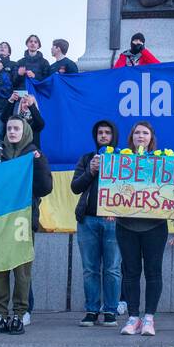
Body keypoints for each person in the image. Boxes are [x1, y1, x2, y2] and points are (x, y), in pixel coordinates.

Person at [0, 116, 53, 334]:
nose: (13, 132)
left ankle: (20, 314)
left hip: (23, 219)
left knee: (22, 271)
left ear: (25, 132)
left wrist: (38, 164)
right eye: (10, 128)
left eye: (17, 128)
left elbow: (45, 188)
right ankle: (1, 314)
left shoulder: (35, 154)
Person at [117, 122, 167, 335]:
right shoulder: (118, 161)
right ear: (131, 137)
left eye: (145, 133)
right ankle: (133, 317)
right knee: (130, 272)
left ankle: (149, 318)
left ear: (151, 138)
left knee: (153, 272)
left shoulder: (163, 162)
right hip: (126, 225)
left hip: (155, 226)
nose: (140, 136)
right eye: (136, 132)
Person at [71, 119, 122, 327]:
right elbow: (75, 187)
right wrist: (90, 171)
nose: (103, 136)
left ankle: (110, 311)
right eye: (100, 133)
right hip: (88, 221)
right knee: (90, 268)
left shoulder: (123, 160)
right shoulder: (87, 159)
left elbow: (128, 191)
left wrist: (116, 211)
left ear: (113, 136)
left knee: (112, 268)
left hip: (112, 221)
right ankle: (92, 310)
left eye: (107, 133)